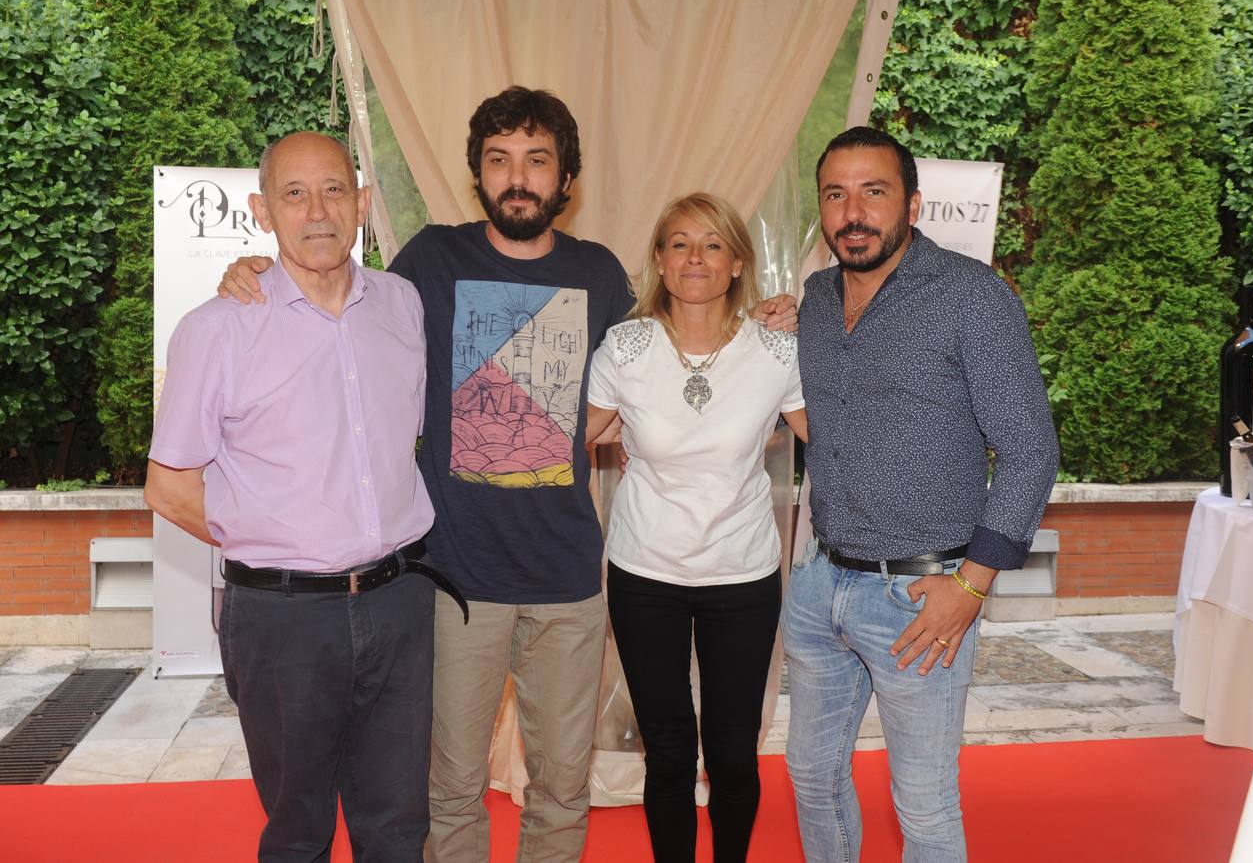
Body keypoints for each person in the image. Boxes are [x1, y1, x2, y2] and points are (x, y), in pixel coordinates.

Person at [218, 87, 798, 863]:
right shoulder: (429, 258)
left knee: (562, 784)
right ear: (478, 175)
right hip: (457, 578)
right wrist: (256, 269)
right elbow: (341, 295)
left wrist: (774, 316)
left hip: (568, 578)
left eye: (536, 161)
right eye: (499, 161)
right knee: (450, 783)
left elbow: (663, 358)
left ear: (566, 179)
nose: (517, 177)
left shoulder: (597, 275)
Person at [146, 131, 461, 862]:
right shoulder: (217, 329)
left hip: (400, 602)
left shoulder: (403, 306)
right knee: (297, 833)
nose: (317, 211)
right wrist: (277, 539)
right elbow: (167, 487)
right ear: (262, 210)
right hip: (282, 620)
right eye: (294, 194)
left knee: (398, 827)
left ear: (362, 202)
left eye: (333, 190)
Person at [782, 126, 1059, 863]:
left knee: (926, 808)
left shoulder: (972, 298)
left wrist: (971, 586)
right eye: (835, 195)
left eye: (874, 192)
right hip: (819, 587)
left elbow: (1032, 451)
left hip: (922, 598)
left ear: (912, 203)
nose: (854, 212)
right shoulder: (813, 299)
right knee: (810, 777)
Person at [584, 193, 808, 863]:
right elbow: (569, 439)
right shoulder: (625, 347)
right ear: (659, 258)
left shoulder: (776, 351)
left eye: (712, 244)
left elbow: (831, 437)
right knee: (671, 754)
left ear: (738, 262)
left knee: (735, 756)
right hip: (643, 572)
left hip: (741, 574)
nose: (695, 258)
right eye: (679, 243)